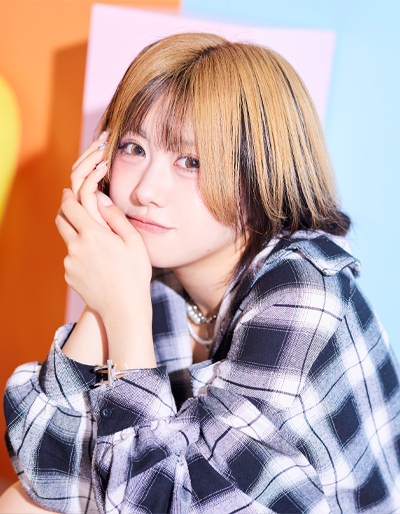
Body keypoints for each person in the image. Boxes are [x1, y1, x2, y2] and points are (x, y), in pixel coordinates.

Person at [2, 32, 400, 514]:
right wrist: (103, 299)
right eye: (133, 148)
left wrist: (125, 315)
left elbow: (173, 502)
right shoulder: (156, 273)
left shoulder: (304, 293)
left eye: (190, 161)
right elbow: (47, 473)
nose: (145, 191)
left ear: (261, 174)